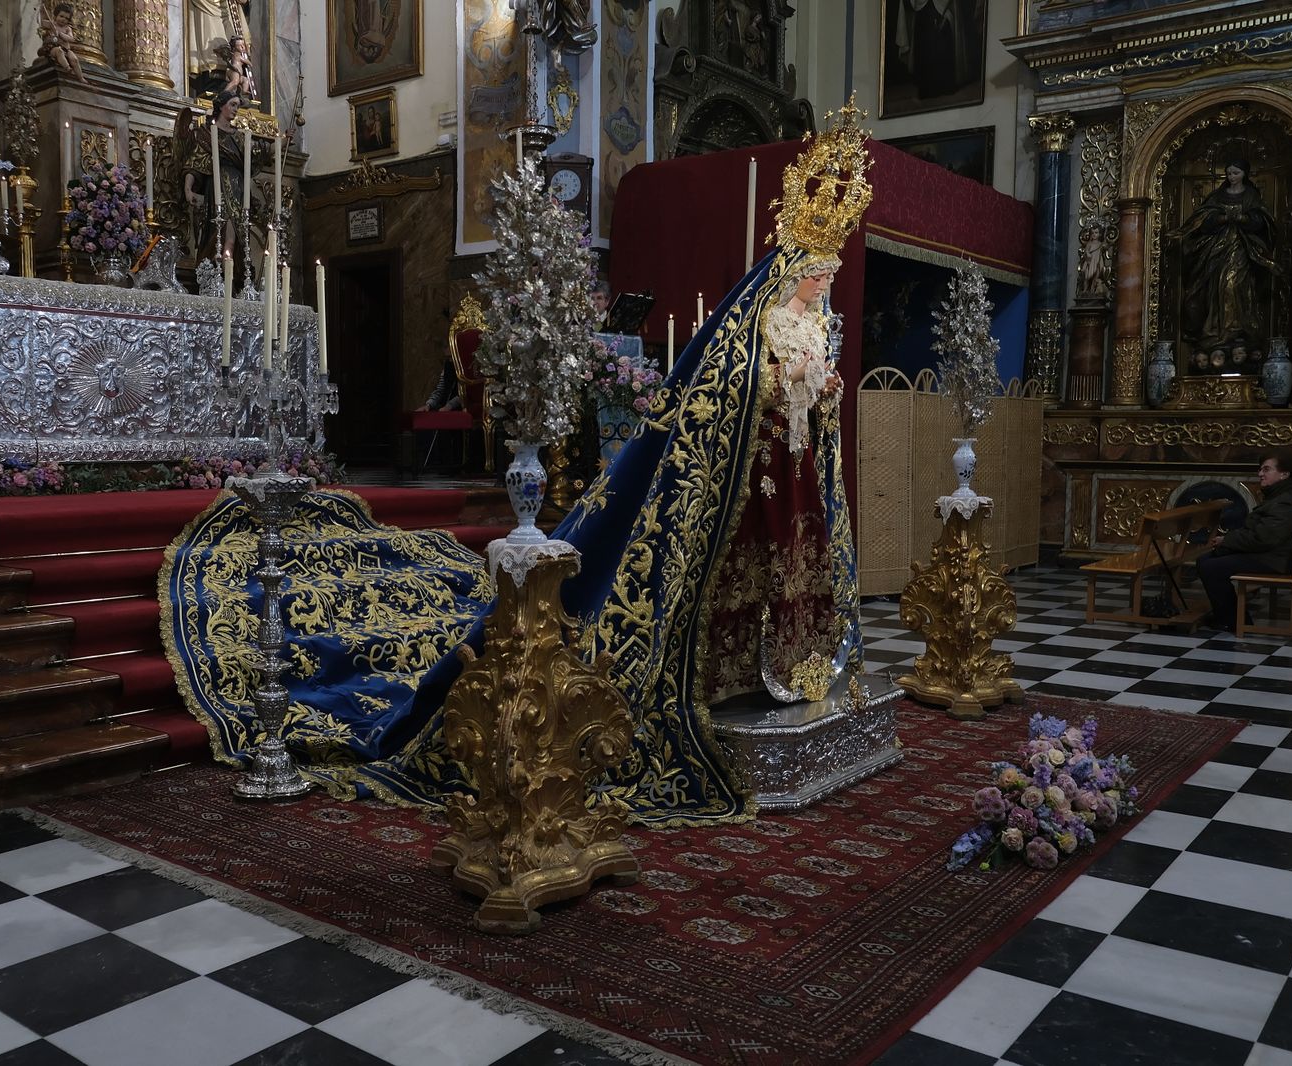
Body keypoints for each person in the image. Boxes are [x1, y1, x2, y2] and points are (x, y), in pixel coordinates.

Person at [159, 106, 872, 826]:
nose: (822, 288)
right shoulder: (754, 325)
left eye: (828, 278)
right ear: (792, 272)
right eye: (817, 277)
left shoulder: (807, 323)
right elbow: (735, 385)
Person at [1196, 448, 1292, 633]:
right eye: (1260, 469)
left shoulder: (1284, 502)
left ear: (1284, 474)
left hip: (1276, 559)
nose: (1260, 474)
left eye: (1266, 469)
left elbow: (1264, 538)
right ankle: (1229, 615)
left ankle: (1234, 621)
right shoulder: (1289, 494)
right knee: (1206, 560)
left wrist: (1227, 540)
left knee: (1210, 566)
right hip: (1279, 554)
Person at [1174, 160, 1278, 366]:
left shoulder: (1251, 196)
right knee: (1215, 290)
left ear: (1244, 174)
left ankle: (1238, 329)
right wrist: (1220, 219)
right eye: (1229, 173)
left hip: (1242, 249)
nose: (1231, 177)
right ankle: (1216, 330)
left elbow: (1263, 222)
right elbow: (1202, 221)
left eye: (1236, 173)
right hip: (1216, 252)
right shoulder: (1217, 196)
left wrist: (1243, 219)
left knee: (1234, 286)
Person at [182, 90, 247, 262]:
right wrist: (188, 188)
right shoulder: (206, 134)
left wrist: (283, 141)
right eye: (232, 105)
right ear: (220, 105)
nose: (235, 110)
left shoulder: (239, 136)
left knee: (233, 237)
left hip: (237, 189)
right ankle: (215, 274)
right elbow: (194, 163)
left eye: (238, 106)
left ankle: (232, 274)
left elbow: (257, 153)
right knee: (217, 232)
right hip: (216, 190)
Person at [39, 1, 84, 81]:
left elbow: (71, 39)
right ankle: (68, 68)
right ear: (56, 16)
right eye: (61, 16)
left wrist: (60, 34)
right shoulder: (52, 25)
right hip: (53, 48)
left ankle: (81, 77)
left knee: (74, 59)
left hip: (66, 49)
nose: (63, 19)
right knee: (59, 51)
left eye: (66, 18)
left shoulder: (67, 28)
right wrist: (42, 12)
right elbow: (41, 22)